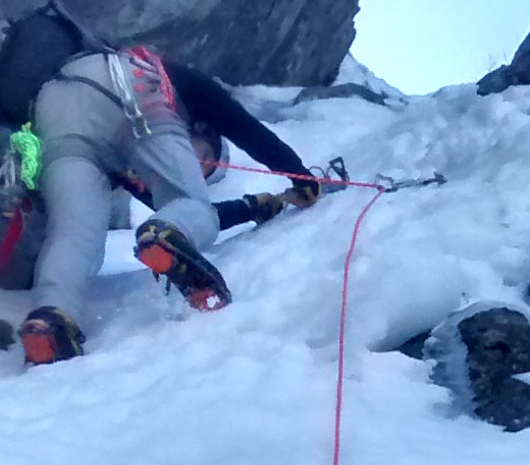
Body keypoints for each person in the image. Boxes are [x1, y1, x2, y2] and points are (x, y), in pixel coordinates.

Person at [19, 44, 326, 365]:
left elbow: (177, 229)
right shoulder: (180, 83)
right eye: (205, 157)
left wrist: (255, 207)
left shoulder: (133, 169)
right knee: (188, 208)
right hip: (129, 85)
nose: (196, 166)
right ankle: (52, 320)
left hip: (53, 108)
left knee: (75, 233)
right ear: (201, 129)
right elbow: (242, 126)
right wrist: (300, 176)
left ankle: (51, 319)